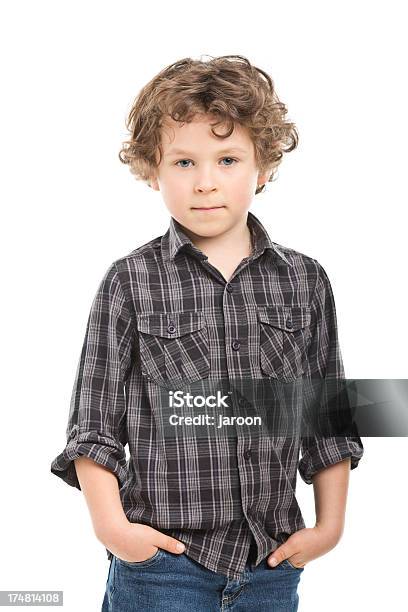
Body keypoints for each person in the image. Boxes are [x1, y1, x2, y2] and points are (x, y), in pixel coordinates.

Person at [50, 54, 364, 611]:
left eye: (227, 159)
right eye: (184, 162)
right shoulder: (131, 281)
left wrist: (329, 528)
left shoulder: (306, 281)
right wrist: (115, 531)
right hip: (163, 568)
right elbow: (94, 423)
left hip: (271, 564)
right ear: (153, 168)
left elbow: (327, 418)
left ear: (263, 167)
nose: (205, 183)